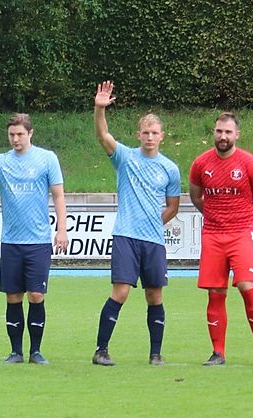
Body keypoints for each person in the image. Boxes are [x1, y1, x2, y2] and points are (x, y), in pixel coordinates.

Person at [0, 114, 69, 365]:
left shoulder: (47, 159)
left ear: (30, 133)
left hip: (38, 241)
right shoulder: (1, 161)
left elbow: (59, 195)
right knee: (13, 297)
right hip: (11, 242)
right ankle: (16, 352)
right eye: (11, 135)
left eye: (19, 134)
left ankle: (36, 351)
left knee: (36, 295)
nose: (15, 139)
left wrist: (62, 229)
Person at [90, 81, 180, 366]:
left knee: (155, 296)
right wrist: (100, 109)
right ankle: (101, 351)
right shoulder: (126, 158)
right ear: (137, 135)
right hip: (125, 236)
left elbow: (173, 206)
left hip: (153, 240)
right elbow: (103, 135)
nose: (149, 137)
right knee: (121, 292)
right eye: (145, 133)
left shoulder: (170, 169)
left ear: (162, 136)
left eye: (154, 133)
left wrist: (153, 222)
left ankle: (155, 354)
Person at [189, 112, 253, 367]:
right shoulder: (201, 164)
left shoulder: (250, 163)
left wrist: (245, 222)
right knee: (215, 293)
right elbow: (196, 197)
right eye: (219, 131)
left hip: (241, 234)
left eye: (228, 132)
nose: (223, 136)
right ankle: (218, 353)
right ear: (213, 133)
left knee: (247, 286)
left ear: (237, 134)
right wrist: (215, 217)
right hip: (213, 235)